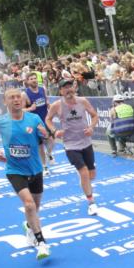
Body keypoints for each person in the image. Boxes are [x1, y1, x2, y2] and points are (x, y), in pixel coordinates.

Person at [0, 87, 52, 260]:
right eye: (12, 97)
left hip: (35, 168)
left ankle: (29, 226)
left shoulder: (33, 118)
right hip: (14, 170)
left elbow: (45, 136)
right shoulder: (0, 122)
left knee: (35, 208)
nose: (16, 100)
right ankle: (41, 243)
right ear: (5, 101)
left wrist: (45, 134)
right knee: (29, 205)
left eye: (18, 97)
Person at [46, 80, 101, 215]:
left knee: (91, 174)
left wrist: (91, 127)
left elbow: (94, 116)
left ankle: (84, 181)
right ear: (61, 91)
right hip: (70, 144)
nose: (68, 90)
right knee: (83, 172)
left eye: (70, 86)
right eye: (65, 88)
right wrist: (54, 131)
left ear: (74, 88)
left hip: (86, 142)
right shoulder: (57, 105)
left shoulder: (82, 101)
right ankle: (91, 203)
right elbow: (48, 119)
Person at [23, 72, 55, 169]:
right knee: (40, 146)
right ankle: (44, 166)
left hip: (46, 119)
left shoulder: (42, 89)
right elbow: (21, 110)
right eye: (31, 79)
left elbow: (46, 100)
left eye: (35, 78)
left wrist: (48, 104)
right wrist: (30, 108)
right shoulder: (25, 94)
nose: (34, 80)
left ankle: (49, 153)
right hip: (35, 123)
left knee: (51, 140)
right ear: (27, 81)